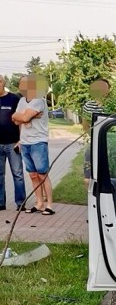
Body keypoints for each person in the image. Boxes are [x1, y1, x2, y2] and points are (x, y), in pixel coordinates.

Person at [12, 74, 54, 215]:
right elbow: (15, 119)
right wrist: (25, 117)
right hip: (25, 142)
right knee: (33, 175)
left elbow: (21, 117)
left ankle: (49, 205)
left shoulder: (38, 100)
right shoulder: (22, 101)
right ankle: (39, 203)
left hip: (38, 142)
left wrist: (24, 117)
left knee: (42, 174)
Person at [0, 75, 27, 214]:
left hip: (13, 143)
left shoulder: (14, 99)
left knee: (18, 174)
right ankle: (1, 203)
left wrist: (21, 139)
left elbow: (22, 120)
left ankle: (21, 203)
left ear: (3, 83)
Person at [82, 78, 109, 189]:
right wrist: (93, 139)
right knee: (88, 177)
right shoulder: (88, 105)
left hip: (110, 142)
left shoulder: (112, 105)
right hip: (93, 141)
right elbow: (85, 125)